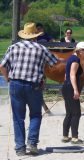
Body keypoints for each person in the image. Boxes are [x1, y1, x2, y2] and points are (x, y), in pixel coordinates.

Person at [0, 22, 59, 156]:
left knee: (18, 117)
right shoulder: (41, 49)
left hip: (15, 84)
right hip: (34, 86)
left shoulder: (13, 47)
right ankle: (32, 143)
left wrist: (7, 78)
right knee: (36, 115)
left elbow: (2, 66)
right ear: (35, 36)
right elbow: (54, 63)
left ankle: (20, 148)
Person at [61, 42, 84, 145]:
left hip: (66, 86)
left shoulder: (70, 58)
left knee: (69, 113)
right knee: (76, 113)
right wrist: (75, 89)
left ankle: (65, 136)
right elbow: (72, 75)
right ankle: (74, 138)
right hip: (70, 87)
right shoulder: (75, 60)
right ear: (81, 50)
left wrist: (67, 86)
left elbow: (66, 75)